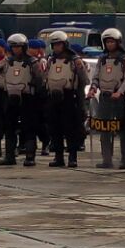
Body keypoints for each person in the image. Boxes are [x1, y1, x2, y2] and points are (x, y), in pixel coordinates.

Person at [88, 27, 125, 169]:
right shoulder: (102, 59)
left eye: (112, 42)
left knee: (121, 128)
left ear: (118, 42)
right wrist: (93, 88)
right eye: (107, 42)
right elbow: (96, 76)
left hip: (118, 97)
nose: (109, 45)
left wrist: (120, 92)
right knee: (104, 129)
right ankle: (106, 158)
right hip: (104, 96)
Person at [42, 30, 89, 168]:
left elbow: (84, 80)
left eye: (59, 44)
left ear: (65, 44)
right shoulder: (51, 60)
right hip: (53, 98)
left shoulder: (75, 61)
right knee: (55, 129)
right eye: (54, 45)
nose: (56, 47)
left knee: (70, 129)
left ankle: (72, 157)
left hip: (69, 97)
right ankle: (58, 157)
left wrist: (79, 98)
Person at [0, 33, 43, 166]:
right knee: (9, 128)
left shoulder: (32, 62)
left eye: (18, 47)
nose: (16, 49)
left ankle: (30, 156)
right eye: (13, 47)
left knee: (29, 128)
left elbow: (39, 79)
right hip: (11, 97)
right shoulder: (8, 61)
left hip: (27, 98)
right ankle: (9, 155)